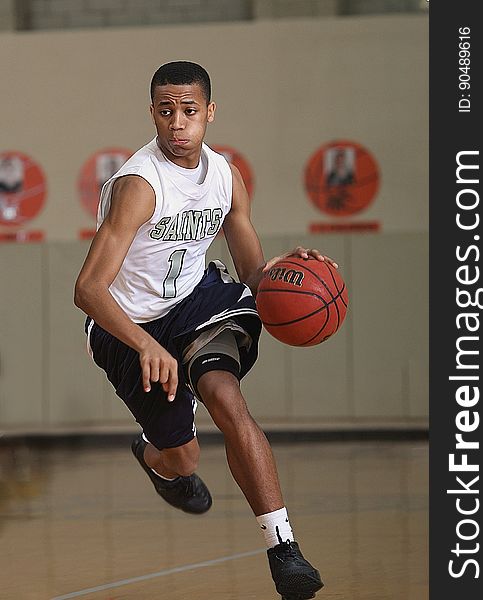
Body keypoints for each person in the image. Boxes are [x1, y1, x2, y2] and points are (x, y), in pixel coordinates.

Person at [74, 61, 336, 600]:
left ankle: (283, 548)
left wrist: (290, 274)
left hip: (196, 303)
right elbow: (89, 289)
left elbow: (253, 274)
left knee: (226, 397)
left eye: (189, 111)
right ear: (152, 113)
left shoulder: (226, 177)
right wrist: (146, 345)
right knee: (184, 457)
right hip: (127, 324)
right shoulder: (139, 187)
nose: (177, 122)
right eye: (166, 110)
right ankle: (156, 459)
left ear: (209, 114)